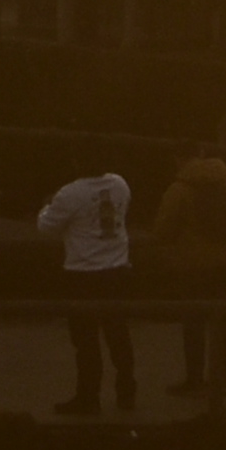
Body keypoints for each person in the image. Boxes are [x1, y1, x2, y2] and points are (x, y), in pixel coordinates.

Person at [149, 149, 226, 402]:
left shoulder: (179, 188)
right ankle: (221, 380)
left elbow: (163, 230)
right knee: (225, 320)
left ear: (179, 158)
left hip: (195, 264)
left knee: (193, 321)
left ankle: (194, 379)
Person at [41, 163, 137, 415]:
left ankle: (88, 397)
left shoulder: (70, 193)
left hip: (82, 275)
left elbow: (46, 226)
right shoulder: (119, 184)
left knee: (86, 341)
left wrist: (47, 206)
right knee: (119, 335)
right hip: (116, 271)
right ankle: (127, 394)